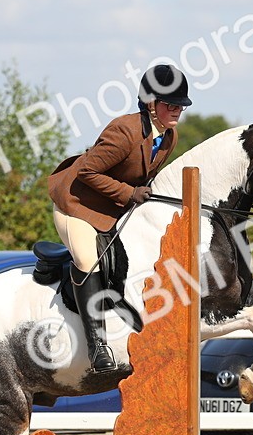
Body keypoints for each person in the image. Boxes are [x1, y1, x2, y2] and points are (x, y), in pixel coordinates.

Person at [47, 63, 192, 372]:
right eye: (171, 104)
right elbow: (87, 171)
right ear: (152, 104)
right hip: (76, 203)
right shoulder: (124, 130)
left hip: (111, 208)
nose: (177, 110)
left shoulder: (169, 137)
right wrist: (129, 194)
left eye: (180, 105)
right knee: (88, 261)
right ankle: (97, 347)